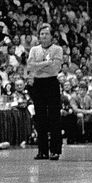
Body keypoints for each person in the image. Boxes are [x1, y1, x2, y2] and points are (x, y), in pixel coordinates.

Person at [26, 23, 65, 160]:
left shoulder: (57, 49)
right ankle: (42, 150)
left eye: (46, 33)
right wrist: (46, 63)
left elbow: (55, 68)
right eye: (41, 33)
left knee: (54, 117)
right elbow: (30, 67)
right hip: (38, 84)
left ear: (51, 36)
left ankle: (55, 150)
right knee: (40, 117)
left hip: (52, 83)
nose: (44, 36)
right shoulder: (34, 49)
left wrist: (39, 66)